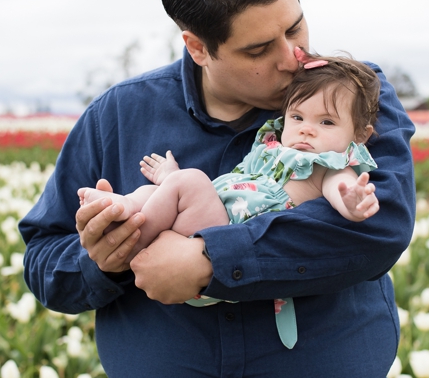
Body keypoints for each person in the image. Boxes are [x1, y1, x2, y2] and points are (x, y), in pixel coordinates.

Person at [20, 0, 416, 378]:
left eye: (296, 26)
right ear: (198, 47)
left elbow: (378, 227)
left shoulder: (350, 93)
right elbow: (45, 262)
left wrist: (210, 261)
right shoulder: (119, 116)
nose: (292, 57)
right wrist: (103, 257)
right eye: (259, 49)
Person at [78, 55, 382, 351]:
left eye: (326, 122)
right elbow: (227, 186)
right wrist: (172, 179)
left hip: (224, 250)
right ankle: (121, 211)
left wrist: (352, 202)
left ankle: (132, 244)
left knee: (190, 182)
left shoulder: (329, 165)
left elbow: (338, 188)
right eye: (297, 117)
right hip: (209, 227)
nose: (307, 128)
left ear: (359, 135)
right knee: (152, 193)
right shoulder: (271, 150)